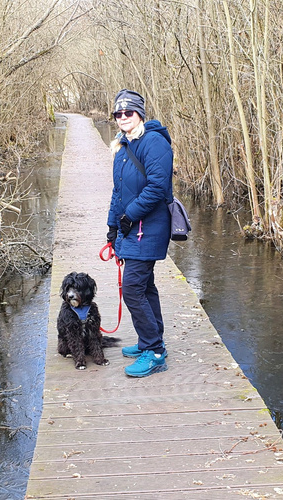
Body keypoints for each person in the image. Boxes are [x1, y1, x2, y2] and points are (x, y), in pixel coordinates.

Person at [105, 89, 173, 378]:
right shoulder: (121, 146)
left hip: (148, 228)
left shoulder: (154, 142)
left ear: (140, 114)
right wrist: (111, 227)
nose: (123, 118)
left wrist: (128, 217)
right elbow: (118, 192)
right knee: (145, 287)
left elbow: (157, 188)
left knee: (132, 288)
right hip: (130, 229)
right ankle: (152, 341)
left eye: (128, 112)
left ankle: (154, 351)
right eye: (118, 114)